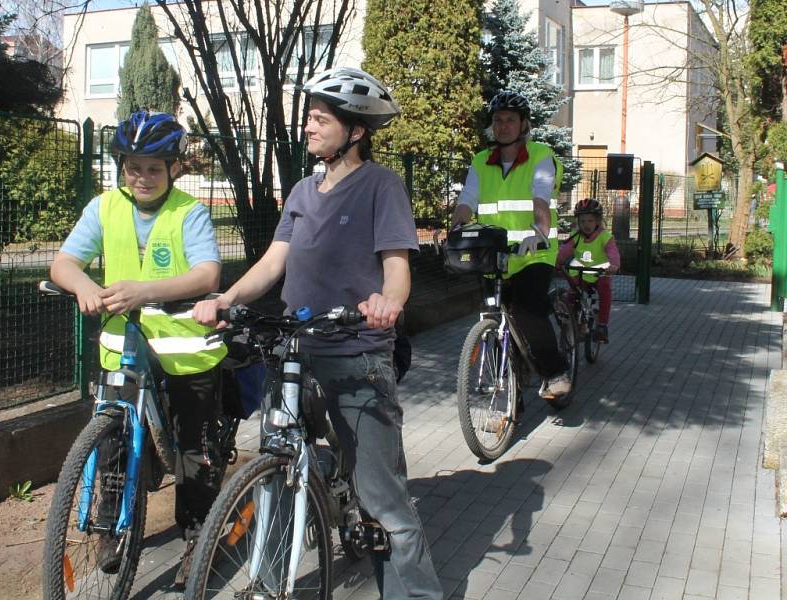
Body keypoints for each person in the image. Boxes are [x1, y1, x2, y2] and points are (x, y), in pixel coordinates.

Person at [193, 67, 443, 600]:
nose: (307, 127)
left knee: (382, 497)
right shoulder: (304, 190)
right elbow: (273, 261)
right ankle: (269, 585)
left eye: (318, 119)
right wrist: (226, 299)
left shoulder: (382, 186)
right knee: (279, 470)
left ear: (355, 131)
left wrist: (387, 303)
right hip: (293, 353)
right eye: (309, 117)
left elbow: (397, 267)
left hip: (356, 352)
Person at [49, 111, 227, 589]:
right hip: (122, 348)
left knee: (194, 450)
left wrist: (144, 292)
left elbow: (209, 276)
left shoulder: (189, 211)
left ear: (172, 168)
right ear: (121, 167)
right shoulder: (104, 207)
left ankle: (197, 535)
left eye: (153, 168)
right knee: (109, 441)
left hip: (186, 349)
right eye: (133, 167)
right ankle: (110, 529)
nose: (142, 177)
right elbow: (63, 262)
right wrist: (84, 284)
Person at [451, 90, 571, 400]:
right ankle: (509, 402)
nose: (503, 126)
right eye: (498, 120)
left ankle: (555, 372)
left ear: (524, 125)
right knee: (495, 318)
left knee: (526, 312)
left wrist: (540, 230)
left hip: (535, 251)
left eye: (510, 120)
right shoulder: (481, 161)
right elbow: (467, 200)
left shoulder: (540, 156)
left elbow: (540, 197)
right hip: (496, 256)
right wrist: (456, 226)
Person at [556, 198, 620, 342]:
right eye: (583, 221)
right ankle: (576, 323)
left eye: (590, 221)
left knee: (605, 288)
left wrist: (614, 265)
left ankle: (602, 326)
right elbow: (564, 252)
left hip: (600, 273)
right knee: (571, 296)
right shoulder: (576, 237)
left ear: (597, 221)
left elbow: (613, 252)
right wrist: (555, 263)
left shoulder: (605, 237)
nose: (586, 225)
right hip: (580, 273)